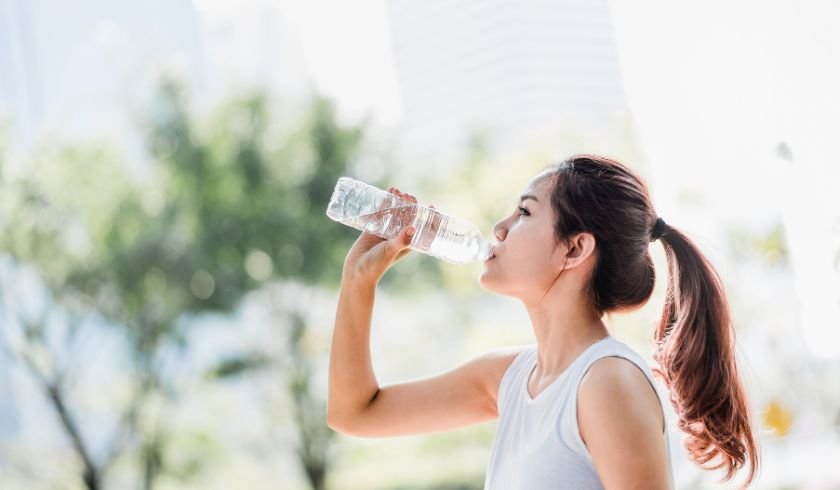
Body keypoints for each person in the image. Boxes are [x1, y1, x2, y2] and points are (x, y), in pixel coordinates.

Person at [327, 154, 760, 489]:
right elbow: (355, 413)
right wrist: (358, 280)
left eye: (525, 213)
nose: (499, 228)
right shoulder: (509, 379)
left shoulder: (607, 382)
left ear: (575, 249)